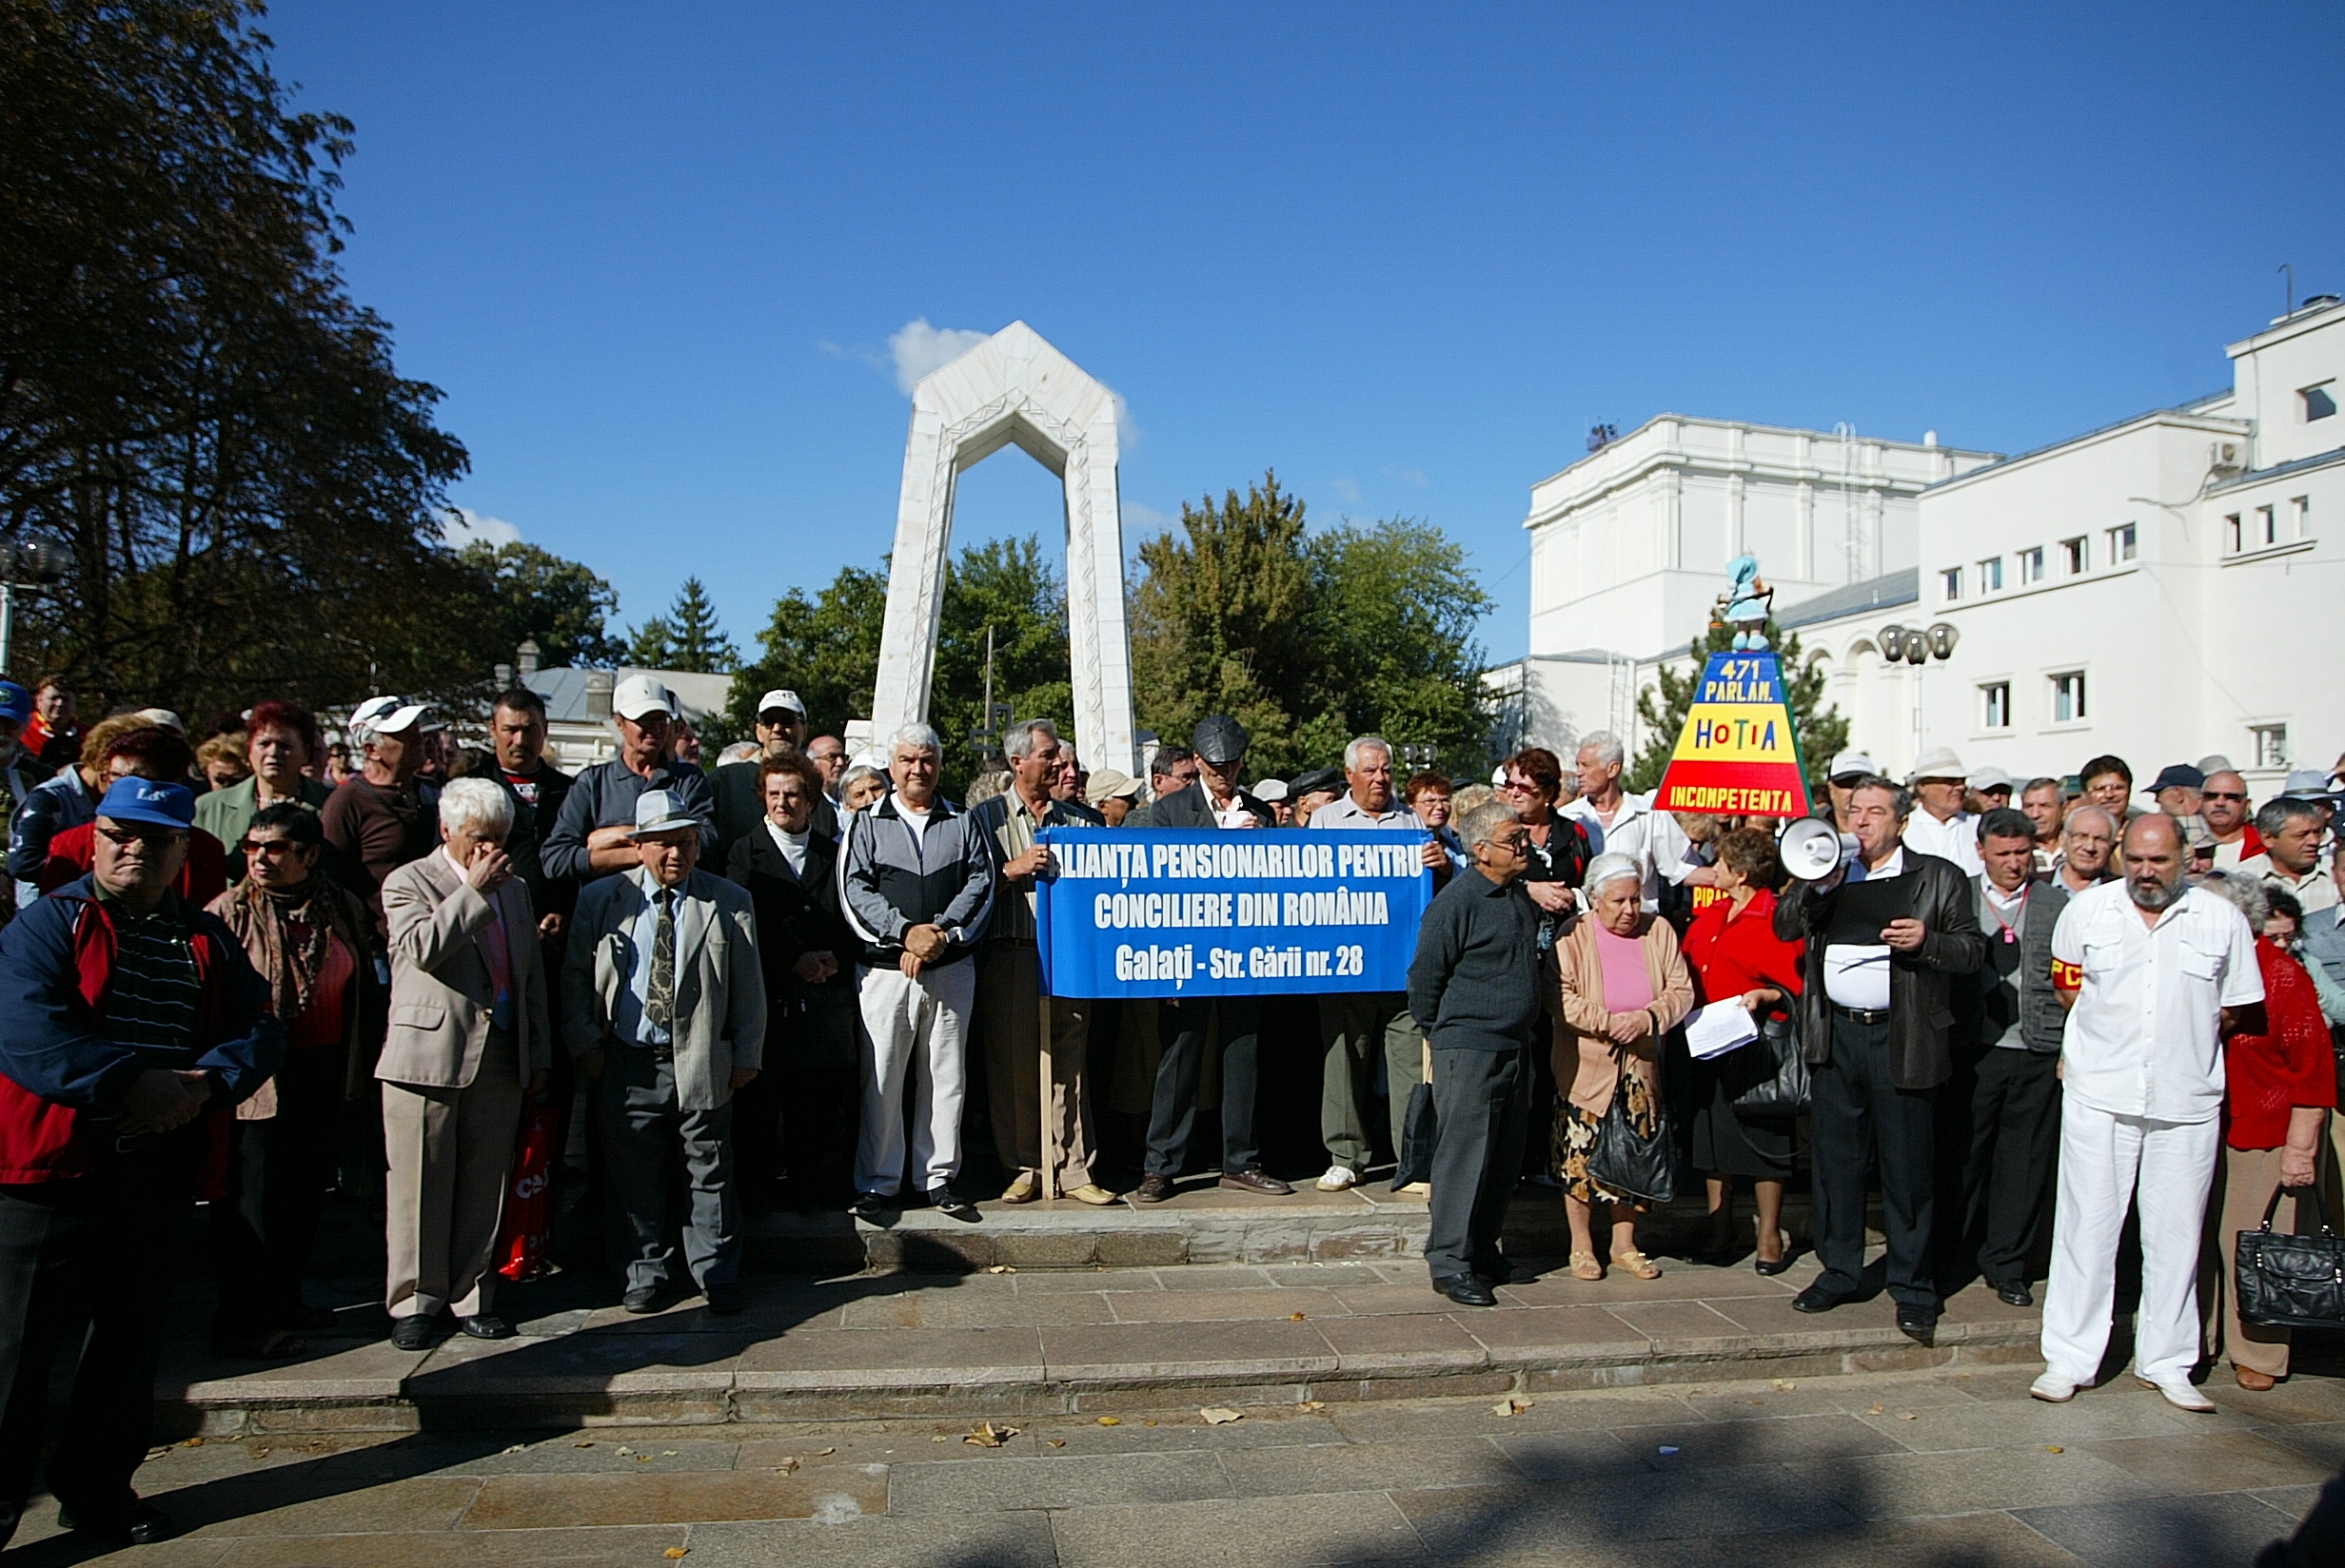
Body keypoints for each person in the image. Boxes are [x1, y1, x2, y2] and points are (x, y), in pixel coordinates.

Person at [0, 777, 280, 1549]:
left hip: (153, 1172)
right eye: (120, 833)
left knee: (127, 1347)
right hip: (49, 1176)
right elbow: (29, 1030)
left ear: (182, 851)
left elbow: (258, 1022)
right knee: (15, 1354)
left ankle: (100, 1493)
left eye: (155, 839)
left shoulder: (206, 936)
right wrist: (132, 1082)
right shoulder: (48, 924)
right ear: (94, 837)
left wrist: (206, 1084)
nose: (134, 849)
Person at [2034, 813, 2262, 1411]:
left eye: (2158, 861)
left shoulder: (2221, 918)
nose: (2145, 871)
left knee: (2177, 1235)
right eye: (2134, 859)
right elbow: (2068, 989)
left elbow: (2234, 1008)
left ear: (2184, 857)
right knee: (2085, 1228)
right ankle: (2069, 1359)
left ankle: (2167, 1360)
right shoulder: (2086, 912)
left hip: (2185, 1100)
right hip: (2099, 1094)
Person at [1774, 774, 1984, 1336]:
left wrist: (1927, 942)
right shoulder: (1828, 869)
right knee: (1837, 1164)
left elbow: (1970, 950)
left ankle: (1913, 1286)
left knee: (1907, 1167)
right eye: (1853, 811)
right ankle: (1839, 1271)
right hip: (1837, 1037)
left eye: (1873, 812)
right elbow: (1782, 925)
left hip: (1902, 1037)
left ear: (1901, 821)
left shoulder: (1936, 878)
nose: (1860, 822)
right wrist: (1815, 886)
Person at [567, 790, 765, 1312]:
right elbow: (574, 978)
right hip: (627, 1058)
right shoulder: (601, 900)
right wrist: (586, 1042)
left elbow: (749, 985)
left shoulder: (727, 901)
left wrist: (747, 1052)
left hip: (701, 1056)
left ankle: (717, 1271)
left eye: (687, 843)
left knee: (709, 1165)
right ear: (640, 846)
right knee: (634, 1172)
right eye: (664, 845)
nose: (676, 855)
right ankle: (644, 1270)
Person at [376, 777, 551, 1348]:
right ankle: (415, 1302)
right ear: (446, 830)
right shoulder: (409, 881)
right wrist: (473, 891)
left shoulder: (518, 891)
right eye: (478, 838)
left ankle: (472, 1294)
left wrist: (537, 1051)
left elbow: (529, 977)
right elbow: (423, 947)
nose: (488, 851)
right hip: (426, 1057)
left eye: (499, 838)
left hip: (499, 1053)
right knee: (419, 1185)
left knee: (485, 1185)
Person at [205, 803, 384, 1357]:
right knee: (255, 1200)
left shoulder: (343, 909)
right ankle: (246, 1319)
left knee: (305, 1194)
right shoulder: (228, 913)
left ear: (309, 855)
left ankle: (285, 1299)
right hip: (258, 1078)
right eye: (252, 848)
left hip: (326, 1066)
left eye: (275, 847)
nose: (260, 858)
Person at [837, 724, 995, 1218]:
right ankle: (880, 1181)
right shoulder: (867, 824)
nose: (917, 769)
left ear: (939, 765)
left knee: (946, 1076)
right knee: (882, 1078)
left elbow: (981, 881)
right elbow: (854, 892)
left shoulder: (962, 820)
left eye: (926, 760)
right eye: (907, 760)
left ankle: (939, 1177)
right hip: (886, 974)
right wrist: (905, 933)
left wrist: (940, 935)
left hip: (950, 969)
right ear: (892, 764)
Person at [1132, 715, 1291, 1202]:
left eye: (1233, 763)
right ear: (1197, 761)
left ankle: (1240, 1161)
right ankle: (1161, 1166)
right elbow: (1154, 882)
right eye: (1215, 764)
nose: (1225, 771)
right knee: (1180, 1056)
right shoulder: (1171, 810)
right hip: (1188, 952)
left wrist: (1263, 846)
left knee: (1242, 1053)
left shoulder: (1261, 812)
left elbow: (1284, 881)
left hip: (1246, 952)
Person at [2193, 872, 2334, 1392]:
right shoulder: (2196, 970)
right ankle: (2196, 1341)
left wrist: (2301, 1148)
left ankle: (2259, 1353)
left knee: (2251, 1245)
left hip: (2264, 1132)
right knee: (2195, 1243)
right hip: (2198, 1124)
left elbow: (2313, 1068)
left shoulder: (2280, 974)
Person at [970, 719, 1113, 1205]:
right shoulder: (983, 819)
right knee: (1012, 1065)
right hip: (1011, 952)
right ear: (1018, 763)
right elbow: (967, 886)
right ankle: (1026, 1165)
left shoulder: (1084, 822)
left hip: (1071, 958)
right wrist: (1011, 870)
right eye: (1049, 755)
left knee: (1070, 1065)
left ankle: (1074, 1168)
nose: (1059, 763)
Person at [1409, 799, 1540, 1306]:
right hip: (1469, 1045)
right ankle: (1448, 1260)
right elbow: (1425, 979)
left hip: (1514, 1043)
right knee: (1464, 1157)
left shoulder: (1515, 895)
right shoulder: (1457, 902)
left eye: (1523, 837)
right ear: (1481, 850)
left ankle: (1483, 1248)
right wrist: (1442, 1033)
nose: (1523, 847)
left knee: (1503, 1158)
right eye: (1514, 840)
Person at [1547, 853, 1696, 1281]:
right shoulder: (1573, 934)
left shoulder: (1659, 931)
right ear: (1595, 899)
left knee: (1635, 1155)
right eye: (1618, 902)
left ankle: (1625, 1244)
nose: (1630, 910)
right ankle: (1581, 1246)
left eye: (1635, 900)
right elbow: (1559, 996)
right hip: (1587, 1065)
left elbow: (1680, 990)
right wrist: (1609, 1023)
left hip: (1641, 1064)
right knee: (1578, 1154)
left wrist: (1647, 1019)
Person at [1943, 807, 2070, 1307]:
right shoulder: (1960, 897)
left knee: (2024, 1163)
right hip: (1973, 1049)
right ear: (1981, 852)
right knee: (1964, 1158)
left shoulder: (2057, 904)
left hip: (2036, 1048)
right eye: (2003, 855)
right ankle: (1955, 1254)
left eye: (2023, 853)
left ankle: (2007, 1263)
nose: (2015, 864)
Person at [1312, 735, 1448, 1192]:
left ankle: (1412, 1160)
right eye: (1370, 770)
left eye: (1387, 770)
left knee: (1410, 1065)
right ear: (1349, 774)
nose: (1380, 778)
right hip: (1345, 966)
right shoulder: (1325, 821)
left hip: (1402, 968)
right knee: (1344, 1061)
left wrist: (1442, 865)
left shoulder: (1414, 821)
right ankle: (1346, 1156)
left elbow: (1452, 886)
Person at [726, 753, 859, 1210]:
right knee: (763, 1106)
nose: (784, 803)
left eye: (794, 794)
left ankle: (810, 1188)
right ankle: (759, 1194)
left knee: (818, 1104)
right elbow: (741, 925)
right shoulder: (744, 852)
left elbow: (851, 915)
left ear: (810, 799)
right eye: (775, 794)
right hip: (769, 997)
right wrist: (792, 961)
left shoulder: (834, 853)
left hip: (825, 1001)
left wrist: (832, 960)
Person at [1683, 826, 1804, 1274]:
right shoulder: (1714, 915)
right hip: (1707, 1040)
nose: (1713, 871)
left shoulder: (1775, 917)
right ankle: (1720, 1229)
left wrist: (1766, 997)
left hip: (1754, 1043)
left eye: (1721, 865)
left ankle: (1769, 1234)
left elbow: (1793, 983)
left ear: (1741, 874)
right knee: (1713, 1139)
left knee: (1764, 1137)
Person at [542, 675, 716, 891]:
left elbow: (704, 843)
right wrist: (643, 851)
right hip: (609, 915)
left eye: (661, 719)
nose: (655, 728)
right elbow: (556, 859)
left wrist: (617, 836)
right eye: (644, 720)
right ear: (619, 723)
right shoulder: (593, 783)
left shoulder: (689, 779)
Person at [38, 724, 230, 909]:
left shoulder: (204, 850)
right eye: (114, 776)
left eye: (133, 780)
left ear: (171, 783)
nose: (121, 787)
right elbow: (54, 917)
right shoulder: (71, 845)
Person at [322, 696, 445, 941]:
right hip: (380, 944)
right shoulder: (347, 803)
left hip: (441, 934)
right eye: (404, 735)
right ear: (371, 750)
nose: (418, 739)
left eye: (416, 731)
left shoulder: (435, 792)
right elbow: (330, 881)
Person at [8, 710, 151, 908]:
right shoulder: (51, 798)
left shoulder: (110, 800)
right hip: (48, 914)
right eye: (129, 777)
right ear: (104, 763)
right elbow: (23, 862)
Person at [194, 700, 332, 882]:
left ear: (306, 753)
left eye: (285, 746)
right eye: (264, 743)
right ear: (249, 750)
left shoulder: (331, 805)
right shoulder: (210, 807)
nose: (273, 752)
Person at [714, 689, 832, 865]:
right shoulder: (724, 782)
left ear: (804, 729)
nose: (777, 729)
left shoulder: (818, 801)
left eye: (787, 721)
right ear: (758, 731)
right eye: (769, 722)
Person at [1562, 731, 1666, 899]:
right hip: (1586, 921)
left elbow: (1683, 869)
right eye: (1577, 765)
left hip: (1638, 921)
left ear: (1612, 769)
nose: (1578, 773)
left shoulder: (1648, 815)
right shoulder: (1568, 817)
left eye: (1586, 766)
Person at [2243, 796, 2337, 916]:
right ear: (2268, 838)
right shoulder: (2242, 880)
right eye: (2301, 835)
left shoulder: (2336, 871)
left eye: (2317, 832)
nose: (2314, 841)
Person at [1902, 747, 1983, 878]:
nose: (1961, 787)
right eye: (1950, 781)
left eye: (1962, 781)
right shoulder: (1904, 830)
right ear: (1923, 787)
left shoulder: (1980, 825)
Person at [1407, 770, 1468, 872]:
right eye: (1430, 801)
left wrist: (1448, 868)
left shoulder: (1458, 847)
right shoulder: (1401, 844)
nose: (1440, 807)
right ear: (1411, 806)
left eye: (1445, 800)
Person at [2202, 770, 2263, 869]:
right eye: (2211, 796)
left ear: (2247, 805)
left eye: (2231, 797)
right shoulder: (2183, 844)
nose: (2220, 803)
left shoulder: (2265, 846)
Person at [2054, 805, 2118, 893]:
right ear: (2062, 840)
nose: (2090, 847)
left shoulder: (2121, 890)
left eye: (2100, 839)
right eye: (2081, 836)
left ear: (2111, 847)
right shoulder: (2035, 885)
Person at [23, 676, 79, 770]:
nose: (60, 703)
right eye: (54, 698)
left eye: (66, 699)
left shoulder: (90, 736)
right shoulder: (20, 729)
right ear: (38, 700)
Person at [1824, 749, 1879, 834]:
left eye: (1862, 785)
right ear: (1831, 790)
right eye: (1848, 784)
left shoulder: (1886, 836)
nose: (1855, 792)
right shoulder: (1815, 834)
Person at [2020, 775, 2066, 874]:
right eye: (2029, 806)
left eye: (2045, 806)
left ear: (2063, 809)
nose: (2035, 814)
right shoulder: (2017, 850)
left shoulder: (2077, 846)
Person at [2079, 755, 2134, 828]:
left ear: (2129, 790)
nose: (2109, 795)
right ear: (2084, 796)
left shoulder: (2141, 832)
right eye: (2100, 789)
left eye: (2117, 788)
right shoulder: (2073, 835)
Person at [806, 735, 849, 806]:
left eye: (843, 757)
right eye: (831, 757)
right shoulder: (809, 804)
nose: (840, 763)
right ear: (812, 763)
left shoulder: (852, 800)